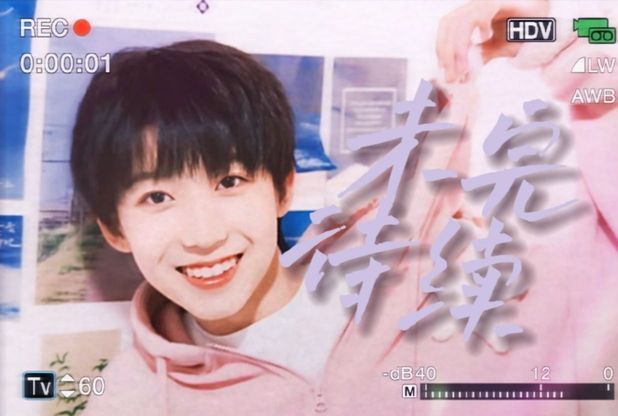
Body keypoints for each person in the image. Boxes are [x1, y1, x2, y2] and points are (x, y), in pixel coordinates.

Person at [71, 39, 423, 416]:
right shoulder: (129, 402)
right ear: (115, 229)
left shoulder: (397, 284)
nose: (204, 236)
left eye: (229, 182)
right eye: (157, 197)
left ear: (282, 190)